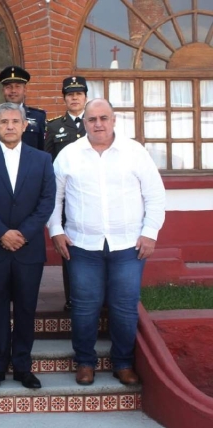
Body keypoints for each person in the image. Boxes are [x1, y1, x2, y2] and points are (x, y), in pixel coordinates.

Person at [47, 98, 165, 387]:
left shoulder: (134, 152)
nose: (98, 124)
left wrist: (150, 232)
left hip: (128, 246)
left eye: (103, 118)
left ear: (114, 120)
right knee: (84, 307)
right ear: (84, 122)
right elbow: (53, 197)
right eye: (92, 119)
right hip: (82, 245)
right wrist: (56, 230)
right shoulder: (69, 154)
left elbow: (155, 194)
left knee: (124, 306)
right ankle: (85, 362)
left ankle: (122, 363)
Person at [0, 103, 56, 389]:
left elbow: (46, 202)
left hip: (27, 249)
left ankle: (22, 366)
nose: (9, 126)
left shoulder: (42, 160)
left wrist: (24, 233)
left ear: (24, 125)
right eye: (3, 121)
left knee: (26, 309)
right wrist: (2, 233)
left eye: (14, 121)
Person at [44, 76, 89, 312]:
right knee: (69, 248)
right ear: (64, 98)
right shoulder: (53, 127)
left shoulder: (94, 123)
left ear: (85, 97)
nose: (74, 98)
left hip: (92, 197)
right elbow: (48, 164)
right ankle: (72, 297)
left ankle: (96, 296)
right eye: (70, 94)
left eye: (78, 94)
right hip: (67, 198)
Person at [0, 66, 46, 150]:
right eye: (8, 87)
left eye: (17, 86)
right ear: (3, 90)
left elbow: (43, 148)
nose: (13, 91)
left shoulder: (38, 117)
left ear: (25, 90)